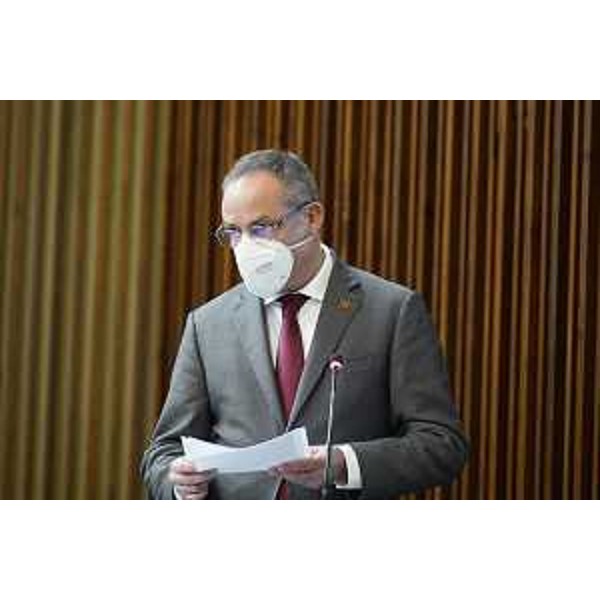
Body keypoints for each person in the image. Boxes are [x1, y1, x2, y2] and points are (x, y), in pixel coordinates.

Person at [140, 149, 468, 500]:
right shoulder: (208, 324)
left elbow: (441, 444)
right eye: (233, 232)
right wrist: (177, 483)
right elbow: (163, 451)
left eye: (262, 227)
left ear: (312, 218)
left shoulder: (391, 310)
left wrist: (343, 463)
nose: (246, 247)